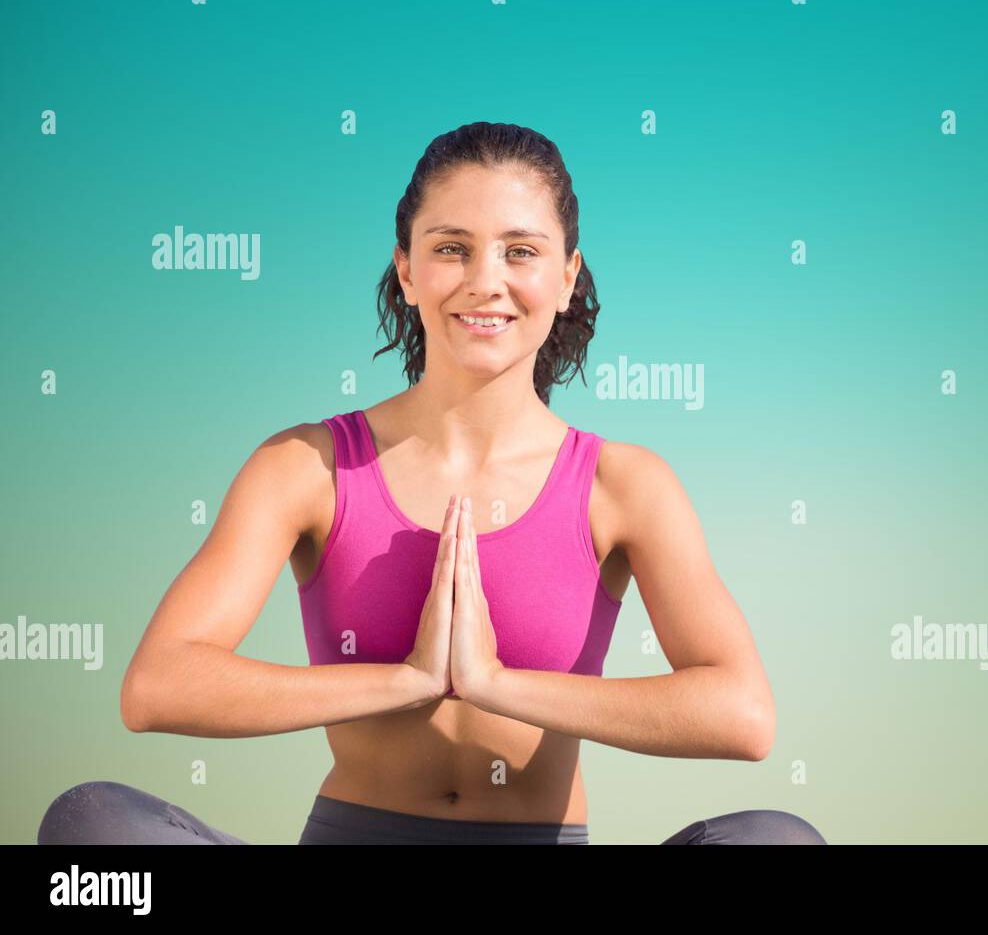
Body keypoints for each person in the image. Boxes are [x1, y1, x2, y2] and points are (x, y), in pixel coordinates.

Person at [37, 122, 827, 846]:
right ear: (407, 269)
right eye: (452, 248)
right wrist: (405, 679)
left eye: (521, 251)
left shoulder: (623, 484)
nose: (487, 281)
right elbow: (157, 685)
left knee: (776, 841)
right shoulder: (308, 465)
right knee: (94, 825)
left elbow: (743, 714)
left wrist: (496, 683)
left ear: (566, 275)